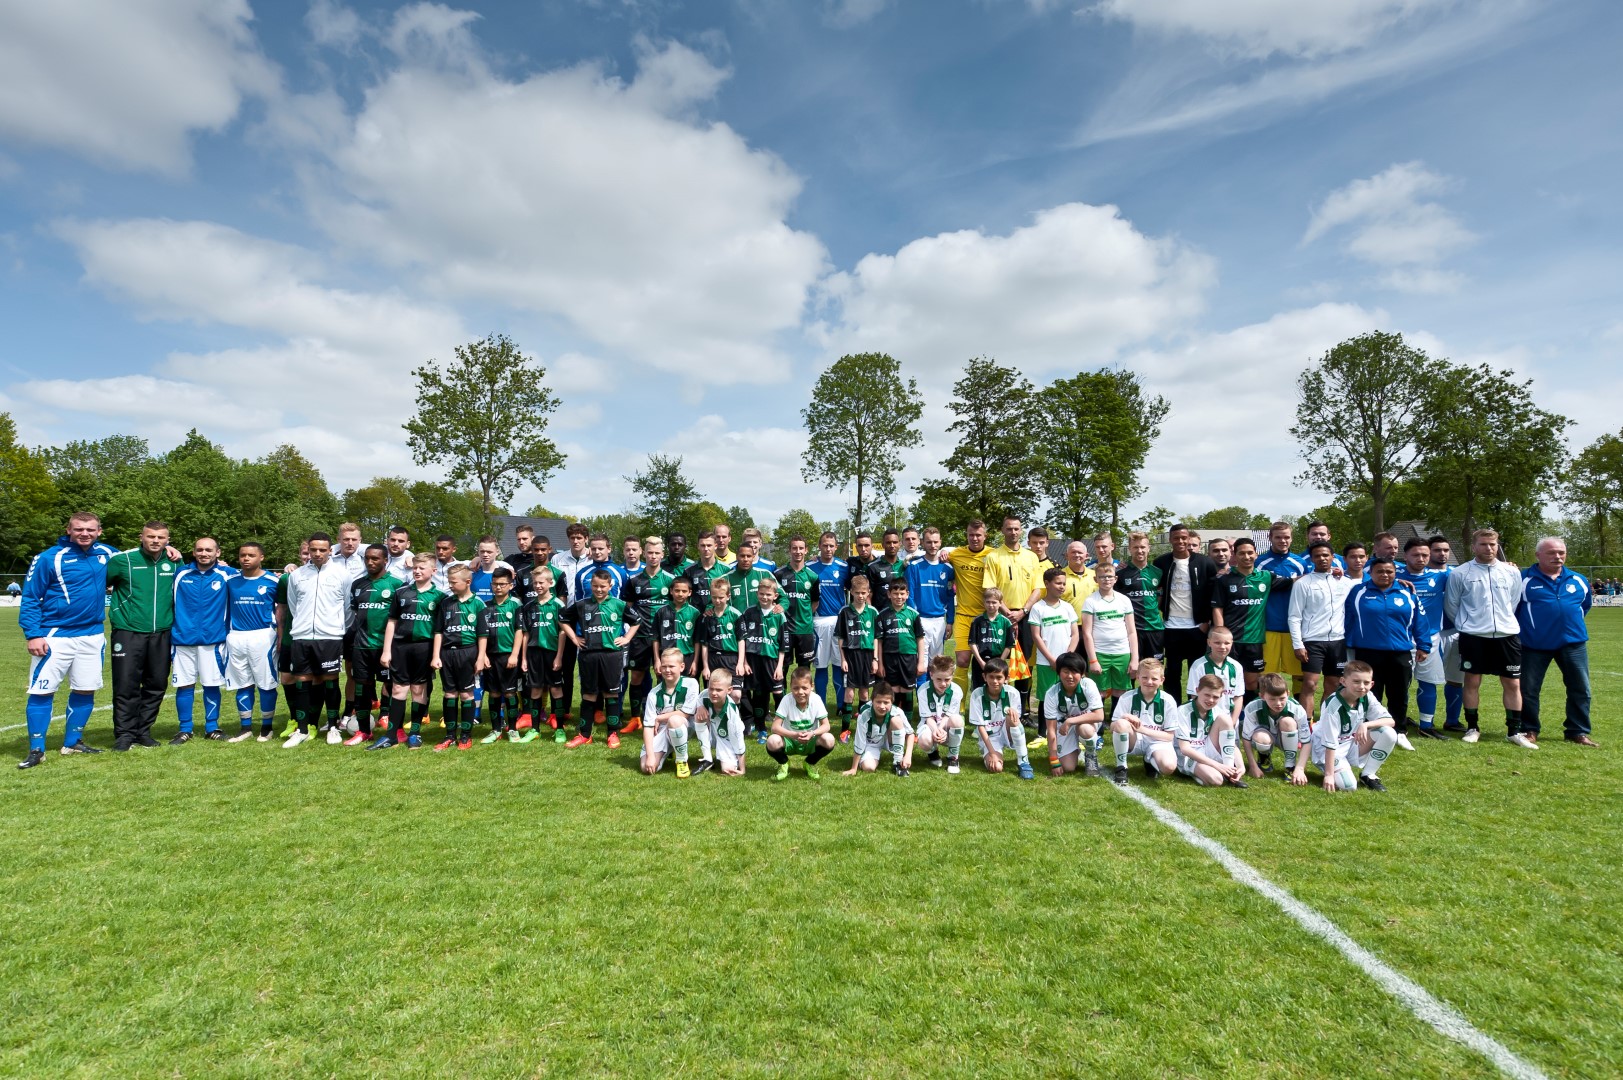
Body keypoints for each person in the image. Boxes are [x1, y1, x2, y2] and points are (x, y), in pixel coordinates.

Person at [18, 512, 119, 767]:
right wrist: (33, 634)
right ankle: (37, 749)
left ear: (99, 531)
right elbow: (31, 597)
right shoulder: (48, 558)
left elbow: (139, 557)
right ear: (68, 530)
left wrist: (169, 550)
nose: (84, 534)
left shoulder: (108, 553)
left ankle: (72, 743)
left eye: (90, 530)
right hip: (55, 635)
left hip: (92, 635)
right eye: (79, 529)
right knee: (42, 690)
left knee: (85, 688)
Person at [1444, 528, 1525, 746]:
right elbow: (1452, 605)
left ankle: (1514, 731)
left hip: (1507, 635)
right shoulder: (1460, 573)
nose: (1488, 548)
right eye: (1483, 544)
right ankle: (1472, 727)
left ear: (1497, 546)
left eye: (1492, 544)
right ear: (1473, 547)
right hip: (1473, 636)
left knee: (1513, 683)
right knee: (1472, 681)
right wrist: (1469, 624)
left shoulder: (1511, 572)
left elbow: (1513, 601)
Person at [105, 520, 178, 750]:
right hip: (128, 631)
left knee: (156, 684)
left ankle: (143, 732)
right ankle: (124, 735)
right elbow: (99, 584)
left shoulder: (175, 562)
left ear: (167, 540)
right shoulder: (122, 560)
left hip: (162, 633)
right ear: (141, 537)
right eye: (151, 536)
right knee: (126, 685)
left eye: (161, 537)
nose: (155, 541)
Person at [1517, 537, 1597, 746]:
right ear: (1538, 555)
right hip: (1533, 644)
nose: (1558, 556)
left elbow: (1584, 606)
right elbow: (1513, 610)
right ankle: (1529, 729)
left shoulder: (1578, 579)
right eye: (1551, 552)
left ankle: (1577, 731)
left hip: (1573, 643)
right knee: (1528, 689)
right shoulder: (1523, 579)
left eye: (1561, 552)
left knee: (1581, 688)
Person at [1344, 557, 1427, 751]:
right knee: (1368, 693)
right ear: (1371, 573)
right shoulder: (1359, 592)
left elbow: (1420, 620)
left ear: (1395, 573)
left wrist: (1423, 645)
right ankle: (1368, 731)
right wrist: (1346, 644)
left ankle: (1399, 731)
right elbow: (1347, 618)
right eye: (1379, 571)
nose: (1384, 575)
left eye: (1389, 571)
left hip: (1400, 652)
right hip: (1368, 652)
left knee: (1399, 693)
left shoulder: (1406, 592)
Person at [282, 533, 352, 747]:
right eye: (313, 550)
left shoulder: (342, 574)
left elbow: (347, 607)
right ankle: (302, 729)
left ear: (330, 550)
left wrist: (336, 628)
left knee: (330, 679)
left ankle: (332, 727)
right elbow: (294, 605)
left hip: (330, 636)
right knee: (302, 680)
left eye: (322, 550)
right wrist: (303, 626)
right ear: (309, 551)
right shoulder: (297, 575)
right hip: (302, 636)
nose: (318, 553)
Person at [559, 567, 641, 748]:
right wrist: (574, 638)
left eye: (603, 586)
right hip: (588, 655)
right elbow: (562, 618)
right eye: (595, 586)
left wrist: (627, 638)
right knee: (588, 695)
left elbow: (636, 621)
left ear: (610, 586)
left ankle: (612, 734)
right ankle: (584, 734)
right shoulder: (582, 604)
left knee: (611, 694)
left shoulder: (619, 604)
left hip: (612, 655)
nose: (599, 589)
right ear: (591, 585)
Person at [168, 536, 239, 743]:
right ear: (193, 552)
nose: (204, 553)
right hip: (182, 640)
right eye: (200, 550)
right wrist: (167, 547)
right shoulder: (180, 573)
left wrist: (288, 567)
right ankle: (185, 729)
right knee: (184, 685)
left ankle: (212, 727)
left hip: (213, 641)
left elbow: (254, 574)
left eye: (209, 550)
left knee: (211, 684)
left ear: (218, 553)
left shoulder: (227, 574)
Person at [374, 553, 444, 749]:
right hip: (401, 647)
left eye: (422, 568)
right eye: (415, 568)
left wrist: (436, 655)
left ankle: (415, 733)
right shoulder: (402, 593)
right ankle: (392, 735)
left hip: (424, 648)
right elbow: (392, 621)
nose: (417, 571)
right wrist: (386, 650)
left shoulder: (440, 597)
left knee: (418, 690)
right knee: (398, 688)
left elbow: (439, 630)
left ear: (433, 571)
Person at [1295, 660, 1398, 793]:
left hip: (1351, 743)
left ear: (1372, 684)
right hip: (1326, 749)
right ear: (1343, 681)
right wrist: (1329, 775)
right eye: (1356, 682)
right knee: (1349, 786)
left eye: (1366, 683)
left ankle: (1368, 775)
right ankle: (1337, 769)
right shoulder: (1333, 706)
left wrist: (1366, 724)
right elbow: (1330, 743)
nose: (1362, 687)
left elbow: (1390, 721)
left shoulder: (1367, 696)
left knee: (1389, 733)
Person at [1153, 524, 1220, 700]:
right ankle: (1173, 708)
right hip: (1171, 627)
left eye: (1184, 538)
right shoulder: (1161, 563)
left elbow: (1213, 594)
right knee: (1172, 672)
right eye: (1176, 538)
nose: (1181, 541)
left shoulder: (1205, 562)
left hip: (1197, 627)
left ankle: (1195, 707)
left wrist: (1206, 622)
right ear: (1170, 540)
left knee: (1196, 672)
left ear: (1189, 539)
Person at [1288, 541, 1353, 717]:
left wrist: (1400, 581)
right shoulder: (1303, 583)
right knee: (1310, 684)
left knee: (1334, 684)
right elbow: (1294, 616)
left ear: (1333, 557)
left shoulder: (1345, 582)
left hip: (1338, 641)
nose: (1322, 558)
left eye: (1325, 555)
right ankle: (1306, 725)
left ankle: (1325, 723)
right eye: (1317, 556)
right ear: (1311, 559)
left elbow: (1367, 583)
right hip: (1313, 641)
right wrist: (1298, 644)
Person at [224, 542, 280, 742]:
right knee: (242, 684)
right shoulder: (230, 580)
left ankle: (267, 727)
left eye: (251, 555)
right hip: (236, 636)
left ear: (261, 557)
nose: (246, 558)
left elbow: (282, 610)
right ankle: (245, 727)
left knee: (266, 684)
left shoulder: (273, 581)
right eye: (242, 555)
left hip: (263, 636)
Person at [1397, 537, 1452, 739]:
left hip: (1430, 640)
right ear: (1405, 556)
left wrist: (1507, 565)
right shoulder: (1392, 575)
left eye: (1425, 555)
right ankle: (1398, 722)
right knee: (1399, 685)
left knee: (1429, 682)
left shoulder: (1442, 576)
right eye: (1416, 555)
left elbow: (1469, 572)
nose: (1421, 559)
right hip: (1401, 639)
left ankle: (1426, 725)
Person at [983, 516, 1041, 704]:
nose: (1013, 532)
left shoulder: (1031, 557)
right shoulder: (993, 556)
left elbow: (1038, 588)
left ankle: (1023, 707)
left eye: (1016, 528)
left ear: (1021, 530)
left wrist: (1023, 611)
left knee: (1025, 663)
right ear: (1002, 530)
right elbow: (990, 588)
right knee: (997, 661)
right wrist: (1008, 614)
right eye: (1009, 529)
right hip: (1000, 616)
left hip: (1026, 615)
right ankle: (995, 704)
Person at [431, 564, 488, 751]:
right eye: (449, 582)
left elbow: (482, 635)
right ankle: (449, 735)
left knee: (466, 694)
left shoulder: (478, 604)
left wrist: (481, 657)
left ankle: (466, 735)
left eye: (454, 582)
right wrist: (436, 655)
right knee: (449, 694)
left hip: (468, 652)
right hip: (447, 653)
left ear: (468, 582)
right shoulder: (446, 603)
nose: (450, 585)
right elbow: (439, 631)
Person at [344, 544, 395, 746]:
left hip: (385, 647)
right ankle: (364, 731)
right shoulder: (357, 585)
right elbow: (356, 613)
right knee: (362, 688)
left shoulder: (396, 585)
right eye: (367, 558)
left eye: (375, 558)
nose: (370, 562)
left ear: (385, 560)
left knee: (391, 686)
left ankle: (393, 727)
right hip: (361, 646)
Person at [1209, 537, 1270, 702]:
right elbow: (1217, 607)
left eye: (1250, 553)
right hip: (1231, 640)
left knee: (1252, 682)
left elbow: (1294, 581)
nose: (1246, 556)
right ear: (1234, 555)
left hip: (1254, 640)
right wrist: (1220, 635)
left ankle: (1247, 714)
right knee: (1226, 680)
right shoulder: (1224, 579)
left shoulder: (1266, 577)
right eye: (1242, 553)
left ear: (1256, 554)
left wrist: (1330, 572)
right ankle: (1224, 712)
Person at [622, 535, 674, 728]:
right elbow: (627, 608)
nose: (653, 556)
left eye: (656, 553)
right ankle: (635, 718)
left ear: (662, 555)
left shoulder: (670, 580)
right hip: (641, 637)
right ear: (644, 553)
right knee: (637, 676)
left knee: (665, 676)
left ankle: (663, 715)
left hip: (664, 637)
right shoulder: (634, 580)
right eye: (650, 552)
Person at [1256, 521, 1309, 691]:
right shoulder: (1260, 563)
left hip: (1294, 628)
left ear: (1291, 538)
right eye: (1278, 537)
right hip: (1268, 626)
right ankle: (1264, 707)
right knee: (1265, 675)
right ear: (1270, 538)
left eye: (1286, 537)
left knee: (1300, 675)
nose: (1283, 541)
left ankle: (1300, 708)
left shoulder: (1300, 563)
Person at [1109, 658, 1179, 785]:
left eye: (1154, 678)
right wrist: (1126, 717)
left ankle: (1149, 760)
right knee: (1121, 723)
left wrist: (1143, 729)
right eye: (1145, 677)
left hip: (1157, 741)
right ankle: (1121, 767)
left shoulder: (1168, 701)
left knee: (1168, 767)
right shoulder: (1127, 697)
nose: (1149, 682)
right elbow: (1113, 726)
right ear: (1137, 677)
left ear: (1162, 680)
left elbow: (1169, 736)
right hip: (1134, 739)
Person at [517, 564, 566, 743]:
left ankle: (560, 729)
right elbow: (525, 634)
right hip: (534, 653)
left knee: (555, 689)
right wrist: (523, 658)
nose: (537, 586)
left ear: (550, 583)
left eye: (541, 582)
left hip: (552, 653)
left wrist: (559, 656)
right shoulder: (529, 606)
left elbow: (562, 632)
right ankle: (535, 729)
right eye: (535, 583)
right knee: (535, 689)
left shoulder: (558, 605)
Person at [737, 576, 790, 738]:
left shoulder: (779, 615)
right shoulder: (749, 612)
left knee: (778, 692)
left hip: (771, 660)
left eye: (768, 594)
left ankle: (782, 726)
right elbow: (743, 639)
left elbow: (783, 644)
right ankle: (761, 729)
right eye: (761, 594)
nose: (764, 597)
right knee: (759, 693)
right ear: (757, 594)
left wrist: (779, 666)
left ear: (775, 596)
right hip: (753, 659)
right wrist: (744, 662)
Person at [1172, 674, 1246, 788]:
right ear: (1197, 691)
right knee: (1216, 780)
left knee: (1226, 720)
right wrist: (1217, 765)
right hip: (1189, 755)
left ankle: (1229, 771)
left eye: (1215, 697)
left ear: (1221, 696)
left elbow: (1231, 743)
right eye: (1207, 695)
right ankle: (1204, 772)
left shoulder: (1218, 711)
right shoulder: (1183, 711)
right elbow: (1185, 749)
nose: (1210, 700)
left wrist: (1241, 766)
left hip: (1207, 749)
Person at [1080, 562, 1138, 708]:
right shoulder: (1090, 601)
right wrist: (1093, 660)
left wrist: (1134, 659)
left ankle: (1116, 718)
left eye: (1110, 576)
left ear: (1115, 579)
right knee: (1099, 691)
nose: (1106, 579)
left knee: (1120, 691)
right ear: (1096, 579)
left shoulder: (1124, 600)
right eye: (1102, 577)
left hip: (1122, 652)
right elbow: (1087, 633)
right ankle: (1097, 720)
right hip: (1100, 653)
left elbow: (1132, 632)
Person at [1042, 651, 1106, 777]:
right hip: (1064, 728)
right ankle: (1074, 749)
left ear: (1082, 674)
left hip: (1086, 724)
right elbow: (1051, 729)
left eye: (1075, 672)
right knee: (1068, 767)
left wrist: (1070, 721)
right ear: (1059, 673)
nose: (1070, 676)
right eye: (1066, 672)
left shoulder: (1088, 684)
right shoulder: (1051, 694)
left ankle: (1090, 754)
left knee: (1085, 729)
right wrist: (1054, 760)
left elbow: (1099, 716)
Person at [478, 566, 523, 742]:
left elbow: (519, 631)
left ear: (510, 585)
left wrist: (514, 654)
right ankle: (496, 729)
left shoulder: (516, 605)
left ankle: (512, 729)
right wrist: (483, 655)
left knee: (510, 693)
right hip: (491, 657)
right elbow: (481, 634)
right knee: (494, 693)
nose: (498, 587)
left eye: (502, 584)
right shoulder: (485, 606)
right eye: (495, 584)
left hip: (508, 656)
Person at [765, 667, 835, 780]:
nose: (800, 692)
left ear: (812, 686)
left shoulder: (816, 699)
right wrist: (794, 735)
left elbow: (826, 725)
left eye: (804, 688)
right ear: (791, 687)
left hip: (810, 740)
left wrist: (812, 733)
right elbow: (775, 727)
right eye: (796, 688)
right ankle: (784, 763)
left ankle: (809, 763)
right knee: (772, 741)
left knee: (829, 739)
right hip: (790, 741)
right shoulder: (786, 700)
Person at [946, 520, 993, 693]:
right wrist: (943, 552)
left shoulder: (994, 555)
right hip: (964, 616)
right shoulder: (956, 554)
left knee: (988, 662)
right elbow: (937, 553)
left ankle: (985, 701)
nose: (974, 538)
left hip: (987, 617)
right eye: (971, 535)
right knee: (962, 660)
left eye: (978, 535)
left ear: (985, 536)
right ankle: (959, 704)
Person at [1025, 567, 1079, 713]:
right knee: (1047, 697)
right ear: (1047, 584)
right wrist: (1051, 659)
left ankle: (1064, 724)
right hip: (1046, 662)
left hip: (1066, 661)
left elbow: (1075, 634)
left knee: (1067, 695)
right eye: (1058, 583)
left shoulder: (1067, 607)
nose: (1062, 587)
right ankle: (1044, 727)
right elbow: (1036, 636)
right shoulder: (1037, 608)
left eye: (1064, 583)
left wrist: (1067, 657)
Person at [904, 527, 954, 683]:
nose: (932, 545)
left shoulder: (948, 569)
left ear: (940, 543)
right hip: (921, 619)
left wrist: (950, 621)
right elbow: (910, 595)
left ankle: (933, 696)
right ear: (922, 543)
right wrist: (915, 619)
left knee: (936, 664)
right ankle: (922, 696)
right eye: (929, 542)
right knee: (921, 664)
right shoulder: (914, 566)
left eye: (935, 542)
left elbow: (950, 597)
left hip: (939, 621)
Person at [967, 658, 1031, 779]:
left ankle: (1023, 761)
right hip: (990, 736)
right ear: (984, 677)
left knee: (1013, 717)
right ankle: (991, 753)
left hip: (1007, 731)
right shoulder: (977, 695)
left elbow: (1016, 721)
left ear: (1006, 678)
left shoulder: (1013, 693)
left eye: (999, 677)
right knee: (996, 768)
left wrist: (1013, 713)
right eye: (991, 677)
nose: (995, 681)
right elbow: (980, 727)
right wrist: (992, 753)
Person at [1237, 671, 1309, 779]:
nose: (1278, 703)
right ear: (1262, 696)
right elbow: (1246, 739)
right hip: (1265, 736)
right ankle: (1264, 757)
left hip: (1286, 737)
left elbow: (1306, 741)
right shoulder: (1252, 708)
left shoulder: (1297, 709)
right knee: (1260, 738)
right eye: (1272, 699)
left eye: (1282, 698)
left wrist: (1300, 769)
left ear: (1288, 693)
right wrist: (1252, 766)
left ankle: (1290, 766)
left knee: (1288, 722)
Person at [639, 648, 699, 777]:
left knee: (674, 720)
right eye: (664, 666)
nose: (667, 670)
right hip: (661, 730)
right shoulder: (653, 693)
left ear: (681, 667)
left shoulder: (691, 684)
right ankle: (669, 749)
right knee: (646, 767)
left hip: (685, 726)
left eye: (671, 666)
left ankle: (681, 761)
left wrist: (659, 718)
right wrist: (650, 756)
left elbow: (685, 713)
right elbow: (648, 726)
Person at [810, 531, 850, 717]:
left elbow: (857, 585)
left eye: (831, 545)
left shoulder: (844, 567)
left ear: (836, 547)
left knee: (839, 664)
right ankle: (821, 706)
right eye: (824, 545)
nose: (828, 549)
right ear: (819, 546)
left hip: (838, 621)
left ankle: (841, 706)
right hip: (818, 622)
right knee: (820, 666)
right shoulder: (810, 567)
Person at [875, 579, 926, 716]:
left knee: (907, 689)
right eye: (895, 593)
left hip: (908, 656)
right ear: (889, 594)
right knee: (892, 689)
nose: (899, 597)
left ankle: (907, 723)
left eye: (902, 594)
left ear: (907, 594)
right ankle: (893, 720)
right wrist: (880, 663)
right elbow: (879, 641)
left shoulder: (913, 614)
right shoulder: (882, 615)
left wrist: (921, 662)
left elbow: (920, 639)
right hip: (889, 657)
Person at [835, 574, 879, 728]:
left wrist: (875, 659)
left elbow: (876, 637)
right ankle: (845, 730)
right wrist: (843, 659)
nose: (860, 596)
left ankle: (863, 727)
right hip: (850, 655)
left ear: (868, 593)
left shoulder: (873, 612)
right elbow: (841, 637)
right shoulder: (844, 612)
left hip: (867, 656)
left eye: (863, 593)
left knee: (864, 693)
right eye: (857, 592)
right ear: (851, 592)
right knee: (849, 692)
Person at [775, 535, 822, 674]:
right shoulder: (779, 574)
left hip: (804, 630)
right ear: (789, 550)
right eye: (794, 548)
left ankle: (804, 691)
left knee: (804, 670)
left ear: (806, 550)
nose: (798, 551)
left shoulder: (812, 576)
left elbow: (815, 602)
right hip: (784, 629)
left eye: (801, 548)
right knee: (781, 669)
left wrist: (804, 617)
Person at [842, 678, 909, 776]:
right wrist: (853, 768)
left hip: (888, 739)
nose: (882, 706)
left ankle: (898, 762)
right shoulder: (864, 714)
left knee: (896, 721)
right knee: (869, 767)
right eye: (878, 702)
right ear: (872, 701)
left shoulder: (897, 711)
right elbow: (859, 741)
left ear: (892, 702)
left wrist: (908, 756)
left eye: (886, 702)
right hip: (871, 743)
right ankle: (871, 756)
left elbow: (910, 733)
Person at [1117, 531, 1163, 666]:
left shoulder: (1157, 572)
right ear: (1130, 549)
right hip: (1131, 629)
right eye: (1135, 547)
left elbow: (1160, 596)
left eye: (1143, 547)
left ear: (1149, 548)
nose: (1140, 550)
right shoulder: (1121, 574)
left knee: (1155, 668)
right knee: (1132, 669)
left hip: (1154, 628)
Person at [914, 654, 966, 772]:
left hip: (946, 725)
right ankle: (933, 752)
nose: (943, 684)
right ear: (931, 675)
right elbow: (928, 717)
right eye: (939, 679)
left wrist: (941, 729)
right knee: (924, 741)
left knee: (957, 720)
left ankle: (953, 757)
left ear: (952, 676)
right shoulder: (923, 690)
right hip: (929, 724)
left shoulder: (957, 691)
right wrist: (935, 730)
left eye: (947, 679)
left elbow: (948, 716)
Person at [1185, 626, 1244, 728]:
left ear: (1232, 643)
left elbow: (1238, 696)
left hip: (1229, 719)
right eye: (1217, 643)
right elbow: (1195, 696)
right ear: (1209, 642)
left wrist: (1232, 722)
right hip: (1207, 720)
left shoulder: (1236, 667)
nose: (1222, 647)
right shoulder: (1198, 666)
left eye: (1227, 643)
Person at [696, 668, 745, 776]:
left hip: (727, 738)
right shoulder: (705, 694)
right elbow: (698, 699)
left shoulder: (732, 714)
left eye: (718, 690)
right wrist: (700, 707)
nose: (713, 693)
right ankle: (707, 759)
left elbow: (738, 740)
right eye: (711, 688)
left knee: (727, 770)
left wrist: (742, 769)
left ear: (729, 690)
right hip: (712, 731)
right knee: (698, 715)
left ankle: (730, 759)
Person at [965, 587, 1013, 690]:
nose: (991, 605)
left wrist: (1000, 662)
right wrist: (981, 662)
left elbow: (1009, 645)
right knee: (979, 689)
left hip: (998, 660)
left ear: (1000, 603)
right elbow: (972, 643)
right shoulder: (977, 621)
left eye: (994, 602)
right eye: (988, 602)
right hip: (980, 661)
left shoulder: (1006, 622)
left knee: (998, 688)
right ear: (984, 602)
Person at [653, 576, 700, 680]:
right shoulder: (661, 611)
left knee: (686, 686)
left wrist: (695, 662)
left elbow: (697, 640)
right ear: (671, 591)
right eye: (677, 590)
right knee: (666, 686)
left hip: (687, 656)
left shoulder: (695, 613)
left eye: (684, 591)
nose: (680, 594)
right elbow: (655, 638)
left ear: (690, 592)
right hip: (666, 656)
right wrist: (657, 659)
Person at [550, 523, 591, 604]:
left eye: (579, 538)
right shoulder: (557, 559)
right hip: (564, 606)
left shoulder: (592, 559)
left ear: (586, 539)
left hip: (587, 607)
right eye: (572, 538)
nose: (575, 541)